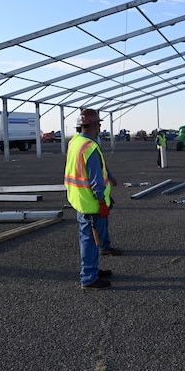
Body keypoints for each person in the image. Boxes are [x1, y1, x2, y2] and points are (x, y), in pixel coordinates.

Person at [64, 109, 122, 290]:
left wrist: (110, 176)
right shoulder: (90, 147)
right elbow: (96, 179)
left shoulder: (76, 142)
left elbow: (97, 168)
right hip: (91, 202)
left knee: (88, 237)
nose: (99, 128)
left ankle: (93, 270)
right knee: (89, 240)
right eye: (98, 125)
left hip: (79, 198)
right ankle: (89, 277)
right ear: (93, 126)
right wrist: (102, 202)